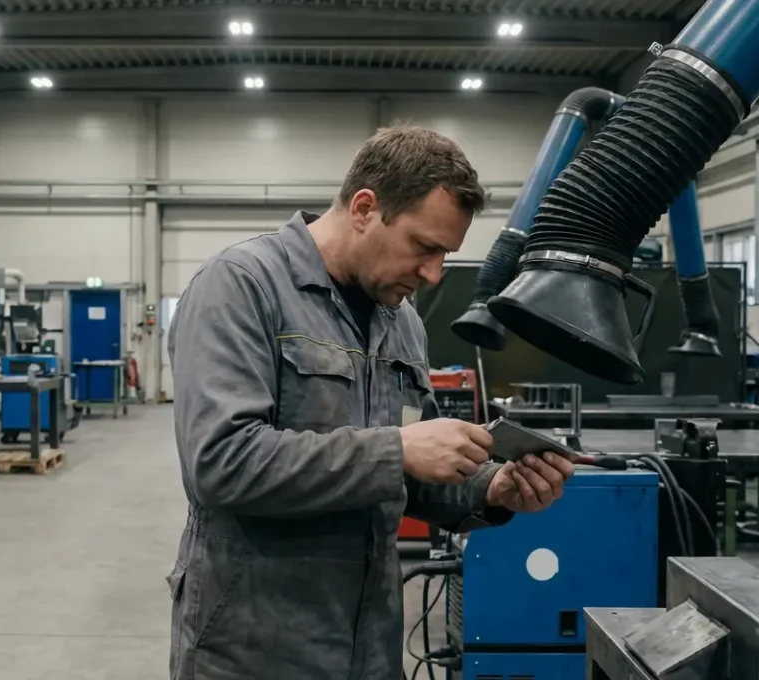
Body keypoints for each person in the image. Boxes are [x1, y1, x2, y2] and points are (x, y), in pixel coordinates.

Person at [166, 126, 576, 679]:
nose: (433, 274)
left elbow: (412, 468)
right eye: (425, 247)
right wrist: (396, 450)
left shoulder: (400, 320)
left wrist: (491, 487)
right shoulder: (241, 286)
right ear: (365, 207)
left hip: (369, 645)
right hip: (255, 648)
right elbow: (221, 463)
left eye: (445, 254)